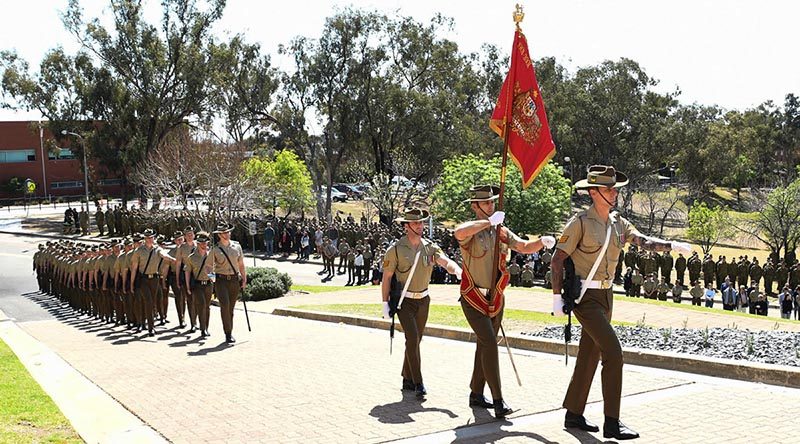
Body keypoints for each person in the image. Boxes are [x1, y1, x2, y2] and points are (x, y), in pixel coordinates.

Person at [551, 165, 692, 440]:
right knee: (613, 353)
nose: (613, 194)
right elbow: (557, 260)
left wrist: (671, 246)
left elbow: (642, 241)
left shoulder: (618, 222)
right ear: (593, 193)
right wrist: (557, 298)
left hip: (606, 296)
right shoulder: (579, 222)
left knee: (590, 354)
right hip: (584, 297)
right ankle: (612, 422)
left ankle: (573, 413)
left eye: (614, 189)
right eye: (607, 189)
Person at [454, 185, 555, 419]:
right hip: (474, 297)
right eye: (486, 203)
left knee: (484, 344)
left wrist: (542, 241)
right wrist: (489, 222)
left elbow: (523, 246)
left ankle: (476, 393)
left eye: (492, 202)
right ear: (475, 206)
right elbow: (459, 232)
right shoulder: (473, 230)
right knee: (489, 342)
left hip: (495, 296)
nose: (491, 205)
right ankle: (498, 400)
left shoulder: (501, 230)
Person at [380, 208, 462, 399]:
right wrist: (385, 304)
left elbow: (444, 261)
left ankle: (407, 377)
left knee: (416, 340)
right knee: (412, 339)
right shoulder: (395, 250)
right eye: (416, 223)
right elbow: (387, 278)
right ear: (406, 226)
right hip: (404, 301)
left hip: (423, 300)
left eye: (422, 222)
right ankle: (418, 382)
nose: (420, 226)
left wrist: (457, 270)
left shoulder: (429, 247)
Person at [129, 229, 176, 337]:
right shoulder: (139, 251)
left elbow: (163, 254)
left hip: (154, 279)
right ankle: (151, 328)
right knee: (148, 301)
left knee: (152, 302)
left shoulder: (157, 249)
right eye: (148, 238)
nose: (150, 239)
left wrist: (172, 259)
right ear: (144, 239)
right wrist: (132, 283)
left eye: (151, 237)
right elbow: (134, 268)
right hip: (143, 279)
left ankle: (150, 324)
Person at [211, 222, 247, 344]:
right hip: (221, 281)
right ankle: (227, 333)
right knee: (224, 307)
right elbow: (207, 267)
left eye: (228, 232)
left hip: (234, 280)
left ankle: (230, 330)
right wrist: (213, 279)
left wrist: (244, 278)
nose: (227, 234)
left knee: (230, 309)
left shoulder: (237, 247)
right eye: (224, 233)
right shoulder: (215, 249)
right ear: (219, 235)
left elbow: (241, 264)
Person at [185, 232, 215, 337]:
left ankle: (206, 327)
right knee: (201, 305)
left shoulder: (211, 255)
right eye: (201, 243)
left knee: (207, 306)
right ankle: (203, 329)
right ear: (197, 244)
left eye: (205, 243)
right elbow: (187, 272)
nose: (204, 245)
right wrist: (188, 286)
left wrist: (214, 281)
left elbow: (213, 271)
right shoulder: (191, 257)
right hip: (197, 285)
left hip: (208, 284)